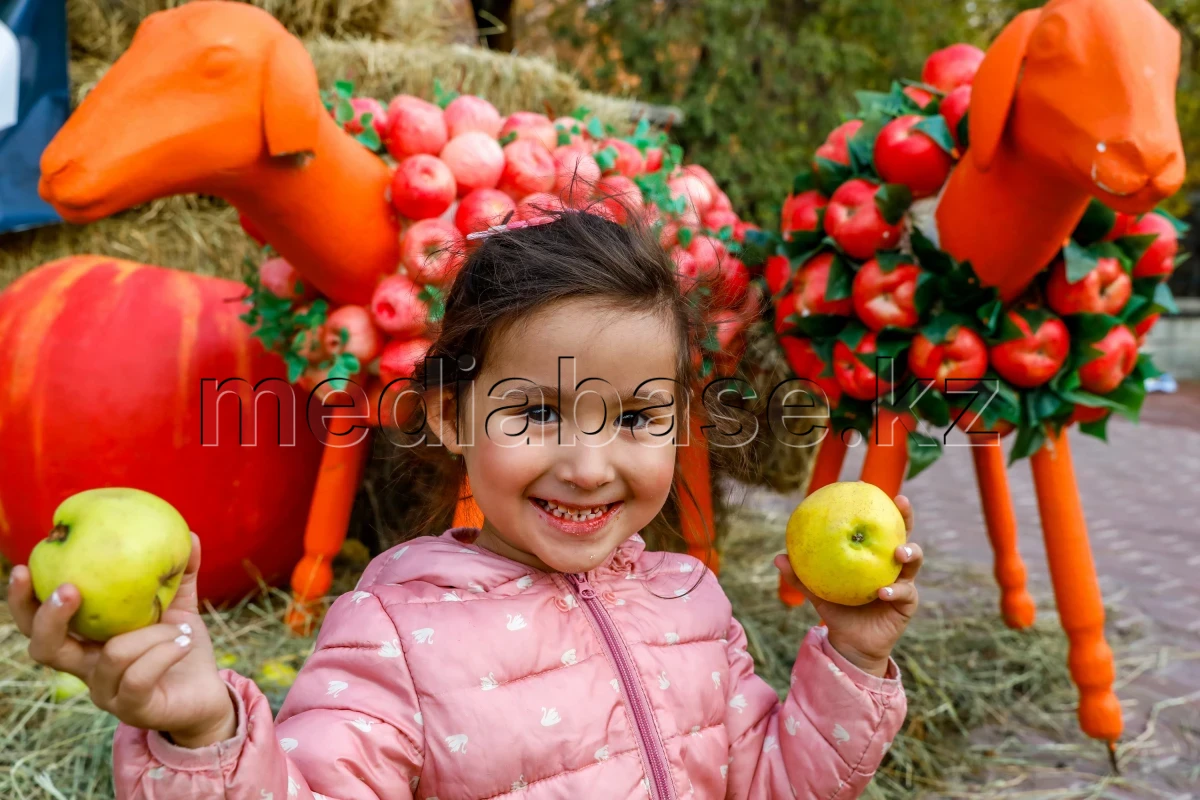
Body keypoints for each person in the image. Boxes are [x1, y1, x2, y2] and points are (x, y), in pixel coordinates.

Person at [10, 208, 922, 799]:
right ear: (452, 416)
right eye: (535, 412)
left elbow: (776, 782)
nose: (590, 465)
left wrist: (851, 656)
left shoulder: (692, 602)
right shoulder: (394, 634)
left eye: (639, 417)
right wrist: (203, 730)